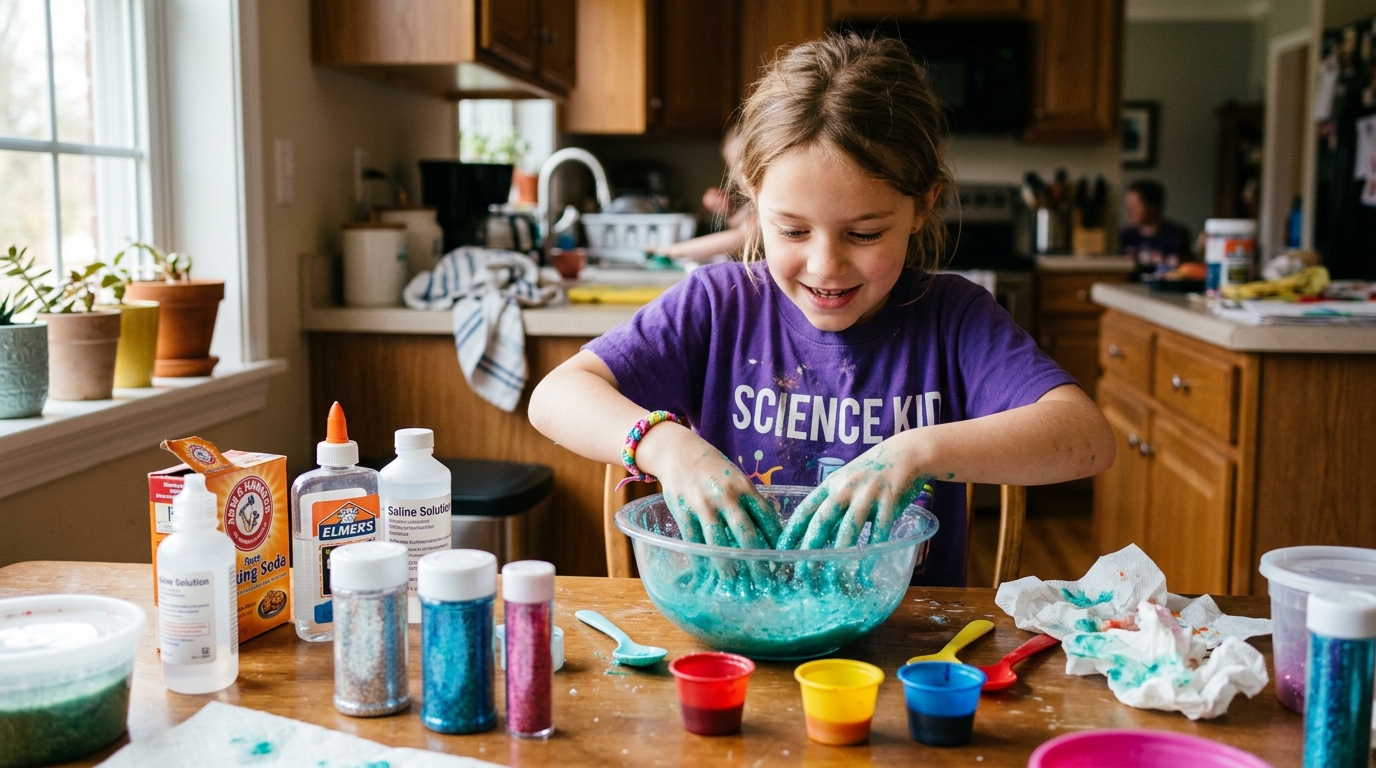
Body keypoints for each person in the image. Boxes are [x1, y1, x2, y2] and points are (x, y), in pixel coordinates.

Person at [528, 34, 1114, 586]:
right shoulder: (717, 306)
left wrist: (921, 450)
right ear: (755, 202)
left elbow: (1087, 438)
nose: (825, 265)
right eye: (793, 230)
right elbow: (555, 396)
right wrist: (663, 445)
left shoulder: (954, 319)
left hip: (908, 648)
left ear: (920, 208)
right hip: (730, 639)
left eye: (864, 233)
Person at [656, 126, 752, 262]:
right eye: (730, 165)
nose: (733, 175)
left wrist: (671, 250)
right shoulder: (750, 200)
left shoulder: (769, 197)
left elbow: (742, 238)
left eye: (738, 164)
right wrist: (732, 212)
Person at [1120, 180, 1192, 273]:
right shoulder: (1125, 236)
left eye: (1136, 206)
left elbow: (1185, 269)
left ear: (1152, 206)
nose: (1130, 211)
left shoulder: (1176, 234)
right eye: (1128, 206)